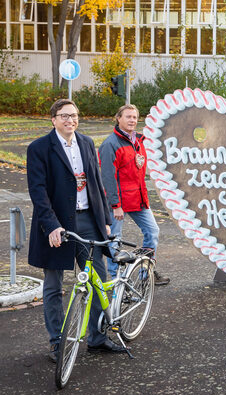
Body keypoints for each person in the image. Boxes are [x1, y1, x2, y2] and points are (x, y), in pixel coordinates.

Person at [27, 99, 126, 362]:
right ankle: (57, 342)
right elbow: (38, 192)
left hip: (88, 221)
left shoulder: (86, 143)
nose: (70, 120)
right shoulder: (39, 148)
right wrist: (51, 225)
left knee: (97, 280)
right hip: (56, 224)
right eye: (64, 116)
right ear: (53, 119)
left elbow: (95, 182)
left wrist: (104, 218)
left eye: (74, 115)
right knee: (53, 284)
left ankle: (97, 337)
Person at [99, 104, 169, 285]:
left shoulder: (138, 141)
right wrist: (115, 205)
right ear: (118, 118)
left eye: (135, 117)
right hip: (118, 203)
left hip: (138, 199)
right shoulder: (110, 144)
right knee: (114, 240)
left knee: (152, 231)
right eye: (128, 116)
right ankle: (116, 279)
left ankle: (145, 273)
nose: (132, 120)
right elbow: (108, 177)